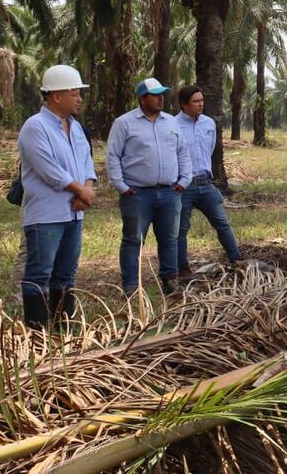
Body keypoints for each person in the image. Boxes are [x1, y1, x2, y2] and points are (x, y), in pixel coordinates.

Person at [16, 65, 98, 329]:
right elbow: (48, 169)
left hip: (75, 212)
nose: (79, 99)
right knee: (40, 273)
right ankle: (37, 330)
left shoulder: (75, 127)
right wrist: (80, 190)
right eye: (74, 93)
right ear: (56, 96)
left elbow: (87, 162)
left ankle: (63, 328)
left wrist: (86, 188)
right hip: (47, 215)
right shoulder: (35, 127)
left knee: (66, 274)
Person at [106, 78, 192, 295]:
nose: (161, 98)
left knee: (169, 238)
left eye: (162, 94)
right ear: (142, 99)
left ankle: (170, 280)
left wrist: (184, 180)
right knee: (133, 239)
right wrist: (121, 186)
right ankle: (131, 286)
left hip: (169, 191)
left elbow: (182, 151)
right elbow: (113, 156)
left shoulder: (171, 122)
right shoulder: (124, 123)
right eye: (155, 95)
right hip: (137, 193)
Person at [174, 85, 242, 277]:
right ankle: (183, 268)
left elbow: (209, 150)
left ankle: (237, 260)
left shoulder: (209, 124)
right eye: (196, 101)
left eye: (201, 100)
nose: (201, 104)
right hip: (183, 185)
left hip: (206, 183)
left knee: (222, 222)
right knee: (181, 229)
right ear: (184, 105)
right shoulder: (172, 124)